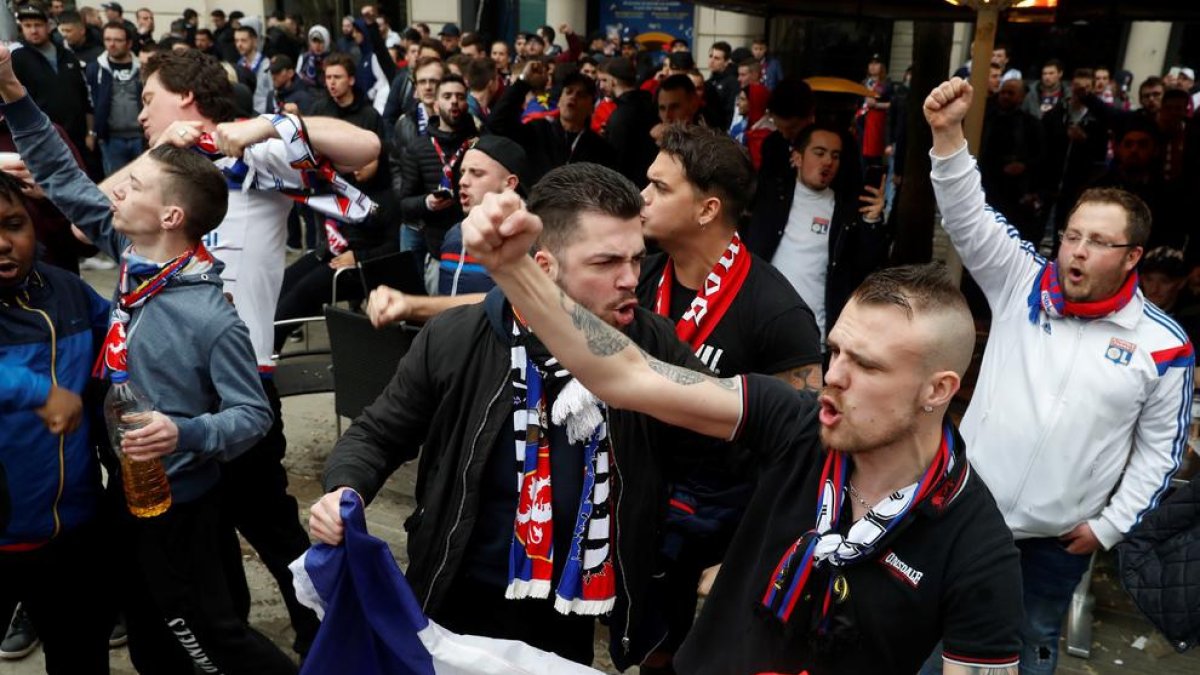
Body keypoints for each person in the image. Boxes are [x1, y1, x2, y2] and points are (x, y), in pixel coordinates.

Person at [463, 184, 1026, 672]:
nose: (834, 377)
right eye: (835, 352)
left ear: (939, 390)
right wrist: (514, 270)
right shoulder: (797, 423)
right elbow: (627, 374)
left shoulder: (977, 547)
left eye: (869, 365)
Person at [311, 162, 722, 670]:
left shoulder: (650, 342)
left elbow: (717, 453)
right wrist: (343, 489)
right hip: (459, 594)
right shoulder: (458, 338)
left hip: (571, 614)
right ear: (543, 266)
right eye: (606, 262)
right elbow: (378, 433)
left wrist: (675, 550)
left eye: (637, 259)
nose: (630, 279)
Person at [0, 41, 300, 674]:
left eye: (131, 184)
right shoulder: (131, 257)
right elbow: (60, 175)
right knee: (150, 642)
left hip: (185, 505)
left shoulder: (212, 316)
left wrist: (181, 431)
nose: (115, 190)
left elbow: (253, 415)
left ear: (168, 214)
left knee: (212, 639)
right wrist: (14, 97)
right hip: (127, 494)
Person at [925, 76, 1194, 674]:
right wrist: (947, 137)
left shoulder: (1164, 345)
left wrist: (1109, 527)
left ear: (1131, 258)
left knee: (1031, 643)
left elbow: (1160, 454)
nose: (1076, 250)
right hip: (967, 512)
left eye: (1098, 242)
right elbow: (970, 218)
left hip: (1057, 544)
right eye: (1073, 234)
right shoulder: (1023, 281)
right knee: (938, 635)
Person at [128, 48, 380, 659]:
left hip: (237, 390)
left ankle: (326, 635)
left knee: (271, 529)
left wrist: (259, 126)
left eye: (148, 100)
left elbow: (365, 150)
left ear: (186, 98)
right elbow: (81, 212)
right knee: (205, 544)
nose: (139, 115)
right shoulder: (144, 173)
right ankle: (222, 640)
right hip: (161, 403)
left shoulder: (249, 156)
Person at [635, 124, 823, 672]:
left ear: (706, 209)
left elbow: (800, 451)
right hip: (645, 511)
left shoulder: (777, 312)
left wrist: (748, 556)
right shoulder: (642, 279)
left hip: (722, 539)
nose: (641, 196)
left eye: (659, 187)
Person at [0, 167, 112, 675]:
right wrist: (39, 390)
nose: (3, 244)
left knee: (81, 659)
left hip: (72, 531)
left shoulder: (67, 291)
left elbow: (122, 336)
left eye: (14, 224)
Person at [745, 123, 888, 341]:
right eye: (819, 153)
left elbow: (865, 268)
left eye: (835, 156)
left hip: (815, 334)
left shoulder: (845, 213)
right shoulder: (769, 198)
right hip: (760, 327)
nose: (828, 162)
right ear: (798, 158)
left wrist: (872, 220)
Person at [369, 134, 528, 325]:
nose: (462, 181)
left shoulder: (529, 242)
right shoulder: (454, 235)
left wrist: (412, 306)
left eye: (476, 173)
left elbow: (506, 305)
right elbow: (449, 308)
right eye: (462, 172)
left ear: (509, 184)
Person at [487, 62, 613, 186]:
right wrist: (523, 82)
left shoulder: (600, 149)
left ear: (591, 108)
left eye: (581, 95)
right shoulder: (538, 131)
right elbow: (497, 123)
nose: (573, 97)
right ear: (559, 101)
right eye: (568, 92)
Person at [397, 73, 477, 259]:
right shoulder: (418, 147)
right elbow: (404, 204)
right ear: (435, 105)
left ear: (467, 104)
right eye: (447, 96)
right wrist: (427, 203)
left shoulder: (478, 143)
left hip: (476, 246)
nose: (454, 101)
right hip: (436, 249)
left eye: (460, 96)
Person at [11, 5, 93, 170]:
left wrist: (91, 133)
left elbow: (84, 98)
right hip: (43, 142)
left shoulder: (68, 55)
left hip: (77, 139)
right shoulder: (17, 59)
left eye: (38, 25)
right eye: (28, 26)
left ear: (48, 26)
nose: (33, 30)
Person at [86, 20, 143, 177]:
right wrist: (92, 132)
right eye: (108, 39)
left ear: (129, 43)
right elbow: (89, 103)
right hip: (111, 138)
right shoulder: (95, 68)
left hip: (141, 137)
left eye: (118, 40)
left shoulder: (142, 68)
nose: (112, 44)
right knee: (116, 184)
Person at [234, 24, 272, 114]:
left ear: (254, 41)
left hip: (264, 115)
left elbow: (272, 94)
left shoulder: (267, 65)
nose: (239, 44)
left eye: (243, 40)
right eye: (236, 41)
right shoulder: (238, 65)